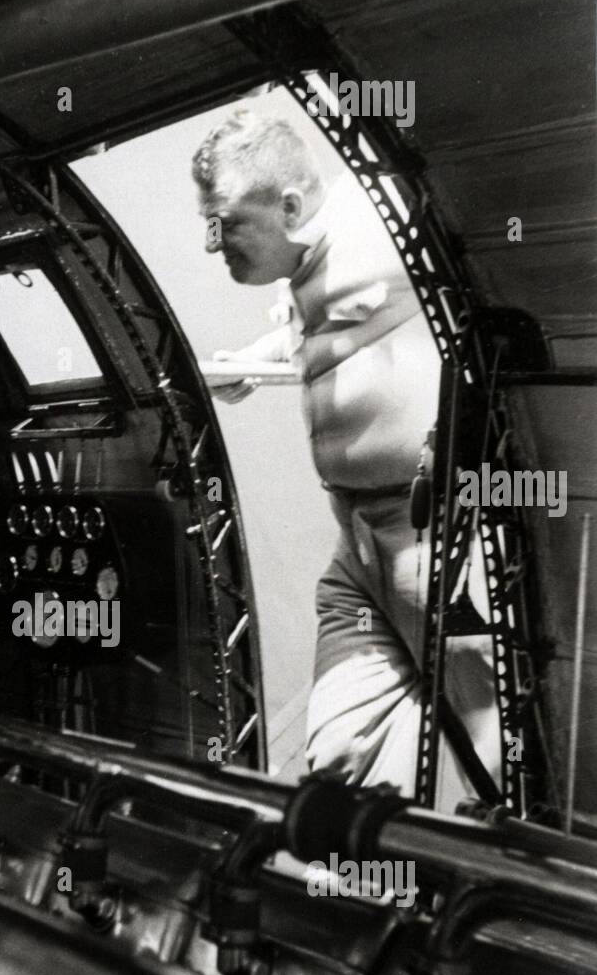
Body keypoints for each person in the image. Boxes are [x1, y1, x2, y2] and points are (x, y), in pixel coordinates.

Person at [193, 109, 499, 797]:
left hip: (435, 538)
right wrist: (256, 355)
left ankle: (509, 890)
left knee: (488, 747)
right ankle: (381, 888)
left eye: (225, 223)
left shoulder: (381, 222)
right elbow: (325, 322)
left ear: (291, 206)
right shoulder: (301, 268)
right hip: (358, 545)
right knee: (342, 752)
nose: (213, 244)